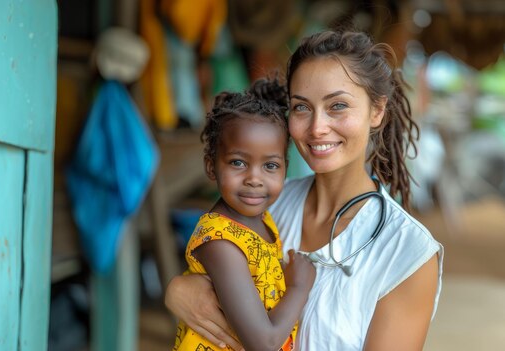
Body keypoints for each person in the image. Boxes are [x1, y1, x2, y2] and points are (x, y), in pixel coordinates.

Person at [165, 30, 444, 351]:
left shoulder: (406, 253)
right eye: (301, 107)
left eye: (337, 105)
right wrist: (179, 288)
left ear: (377, 111)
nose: (316, 128)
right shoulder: (262, 204)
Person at [173, 79, 316, 351]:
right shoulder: (220, 243)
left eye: (270, 165)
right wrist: (299, 287)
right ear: (211, 166)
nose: (254, 179)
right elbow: (263, 343)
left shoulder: (261, 219)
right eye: (238, 162)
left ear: (285, 168)